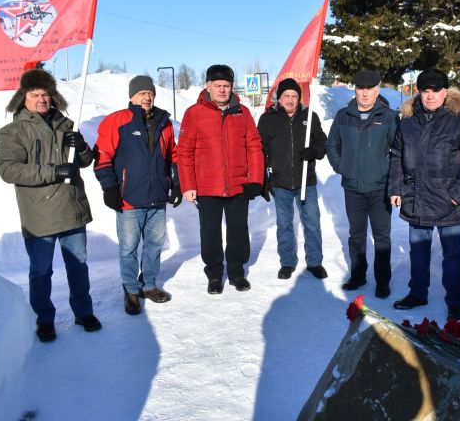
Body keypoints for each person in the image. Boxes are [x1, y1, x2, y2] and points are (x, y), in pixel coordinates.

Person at [0, 69, 101, 342]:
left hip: (72, 209)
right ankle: (43, 318)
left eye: (45, 94)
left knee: (78, 266)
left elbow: (85, 161)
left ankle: (83, 311)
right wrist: (54, 172)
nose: (42, 99)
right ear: (24, 98)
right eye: (35, 95)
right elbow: (9, 171)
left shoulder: (66, 124)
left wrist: (81, 147)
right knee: (41, 271)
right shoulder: (12, 132)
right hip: (39, 214)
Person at [388, 69, 460, 318]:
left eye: (435, 91)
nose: (429, 97)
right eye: (425, 91)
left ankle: (454, 302)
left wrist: (457, 194)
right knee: (418, 251)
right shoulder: (407, 120)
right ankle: (417, 293)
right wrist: (396, 188)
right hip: (415, 197)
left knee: (452, 255)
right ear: (418, 92)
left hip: (447, 200)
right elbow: (397, 154)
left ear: (445, 92)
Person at [93, 75, 181, 315]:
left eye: (150, 93)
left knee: (154, 245)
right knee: (129, 248)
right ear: (132, 96)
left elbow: (173, 156)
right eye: (142, 93)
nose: (147, 96)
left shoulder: (165, 122)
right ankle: (131, 289)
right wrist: (109, 188)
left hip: (157, 198)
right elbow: (102, 158)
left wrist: (176, 183)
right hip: (129, 198)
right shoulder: (116, 121)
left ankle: (149, 285)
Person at [177, 64, 264, 294]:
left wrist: (255, 179)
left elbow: (254, 146)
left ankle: (236, 272)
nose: (222, 90)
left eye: (226, 86)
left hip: (238, 185)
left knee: (238, 231)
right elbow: (184, 151)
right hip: (207, 186)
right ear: (208, 86)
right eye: (218, 86)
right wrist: (188, 185)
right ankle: (214, 274)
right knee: (210, 233)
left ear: (232, 87)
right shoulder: (194, 113)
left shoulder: (242, 112)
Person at [325, 69, 399, 298]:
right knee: (356, 234)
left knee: (382, 236)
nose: (365, 94)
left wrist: (390, 177)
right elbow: (331, 146)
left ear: (377, 90)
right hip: (353, 189)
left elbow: (398, 151)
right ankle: (358, 275)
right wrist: (342, 167)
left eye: (369, 89)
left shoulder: (388, 117)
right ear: (355, 89)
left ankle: (382, 281)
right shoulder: (343, 116)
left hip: (380, 188)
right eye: (360, 88)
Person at [257, 78, 328, 280]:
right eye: (286, 96)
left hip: (306, 180)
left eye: (294, 96)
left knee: (312, 222)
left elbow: (323, 143)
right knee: (285, 223)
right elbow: (259, 150)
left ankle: (315, 262)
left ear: (299, 98)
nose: (290, 100)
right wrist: (264, 178)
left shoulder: (310, 117)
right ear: (279, 98)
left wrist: (314, 150)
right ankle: (287, 262)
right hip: (280, 182)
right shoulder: (267, 119)